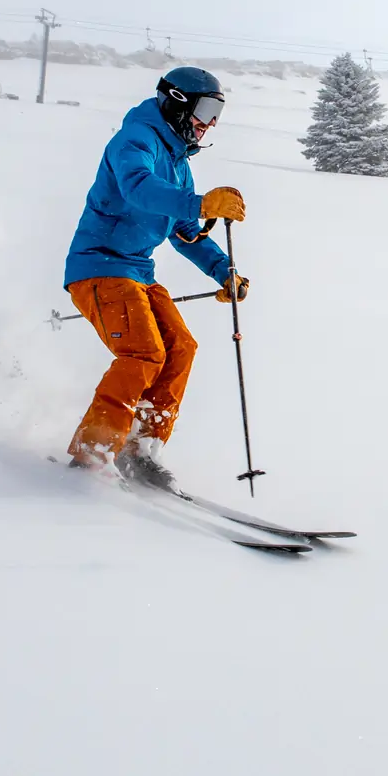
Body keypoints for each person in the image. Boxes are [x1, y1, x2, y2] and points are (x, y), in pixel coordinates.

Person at [63, 66, 248, 481]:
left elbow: (184, 232)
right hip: (99, 266)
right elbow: (139, 189)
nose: (210, 123)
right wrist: (200, 203)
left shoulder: (179, 160)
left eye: (218, 112)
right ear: (177, 102)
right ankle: (93, 449)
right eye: (205, 108)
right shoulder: (136, 139)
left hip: (138, 272)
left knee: (181, 347)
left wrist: (224, 272)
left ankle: (142, 447)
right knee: (144, 353)